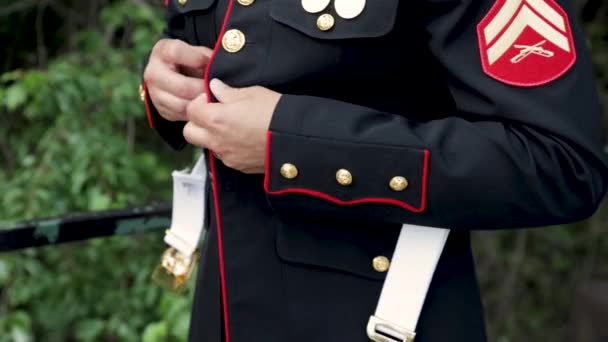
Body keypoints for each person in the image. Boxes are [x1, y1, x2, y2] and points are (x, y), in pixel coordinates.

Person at [140, 0, 608, 341]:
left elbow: (558, 161)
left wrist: (293, 145)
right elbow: (219, 39)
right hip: (222, 311)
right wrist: (168, 79)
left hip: (381, 319)